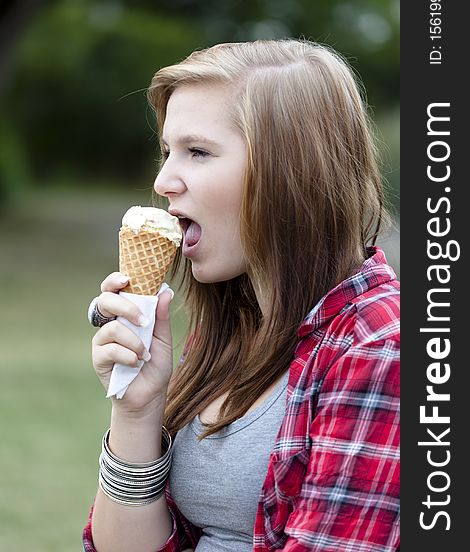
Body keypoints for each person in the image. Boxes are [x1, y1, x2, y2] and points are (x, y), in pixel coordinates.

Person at [83, 39, 400, 552]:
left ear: (292, 170)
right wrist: (136, 411)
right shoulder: (231, 329)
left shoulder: (381, 347)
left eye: (199, 152)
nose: (164, 181)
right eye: (167, 152)